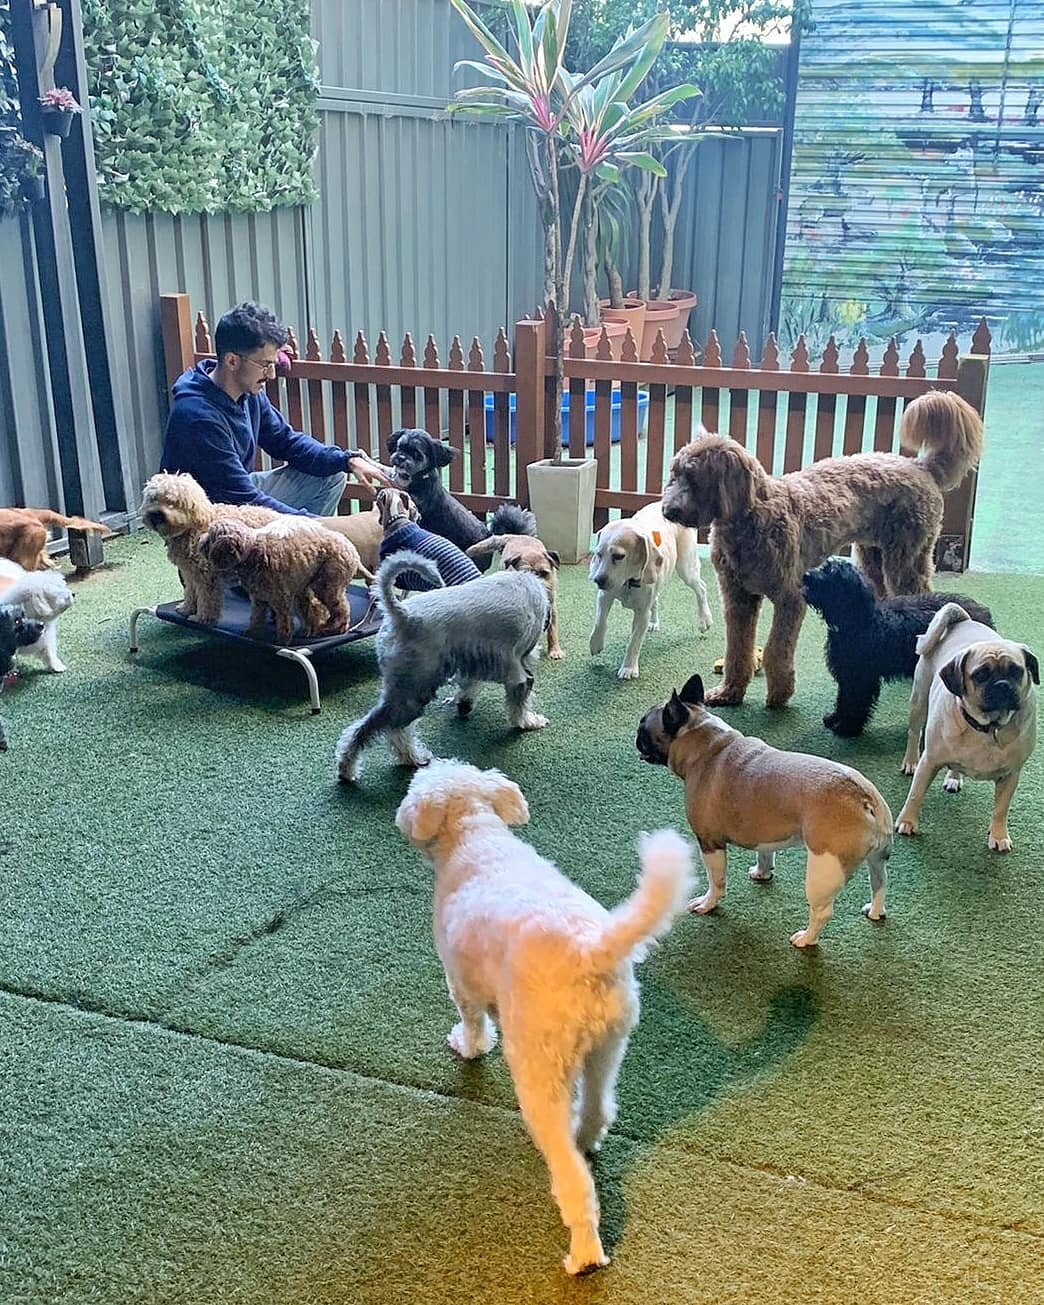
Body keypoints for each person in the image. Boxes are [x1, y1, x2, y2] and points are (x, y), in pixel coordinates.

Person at [160, 301, 391, 515]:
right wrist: (321, 529)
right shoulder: (197, 417)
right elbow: (243, 498)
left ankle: (303, 556)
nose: (271, 374)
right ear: (232, 361)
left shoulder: (248, 392)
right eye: (265, 365)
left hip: (236, 495)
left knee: (332, 474)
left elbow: (286, 441)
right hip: (204, 515)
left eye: (274, 363)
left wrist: (346, 460)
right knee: (307, 530)